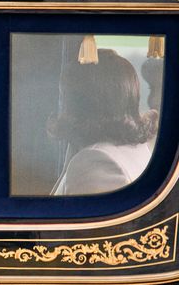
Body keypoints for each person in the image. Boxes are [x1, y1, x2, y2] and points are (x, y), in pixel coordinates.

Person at [50, 49, 158, 196]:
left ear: (79, 102)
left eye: (64, 95)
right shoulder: (137, 148)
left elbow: (63, 217)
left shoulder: (95, 160)